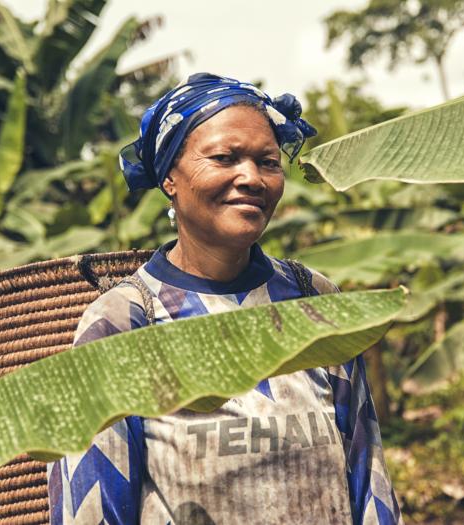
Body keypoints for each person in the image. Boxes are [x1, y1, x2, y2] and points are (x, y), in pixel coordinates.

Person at [47, 73, 402, 525]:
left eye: (268, 162)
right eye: (224, 158)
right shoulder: (122, 320)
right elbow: (92, 509)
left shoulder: (314, 298)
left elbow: (368, 476)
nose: (251, 177)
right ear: (169, 178)